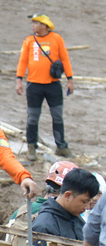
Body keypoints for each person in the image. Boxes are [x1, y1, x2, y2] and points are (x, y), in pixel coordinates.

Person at [15, 14, 75, 160]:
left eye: (35, 23)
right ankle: (31, 148)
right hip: (34, 85)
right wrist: (19, 80)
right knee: (33, 118)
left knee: (57, 116)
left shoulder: (56, 39)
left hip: (53, 85)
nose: (32, 26)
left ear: (44, 25)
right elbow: (23, 61)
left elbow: (65, 58)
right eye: (32, 23)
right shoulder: (29, 40)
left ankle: (61, 146)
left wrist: (70, 79)